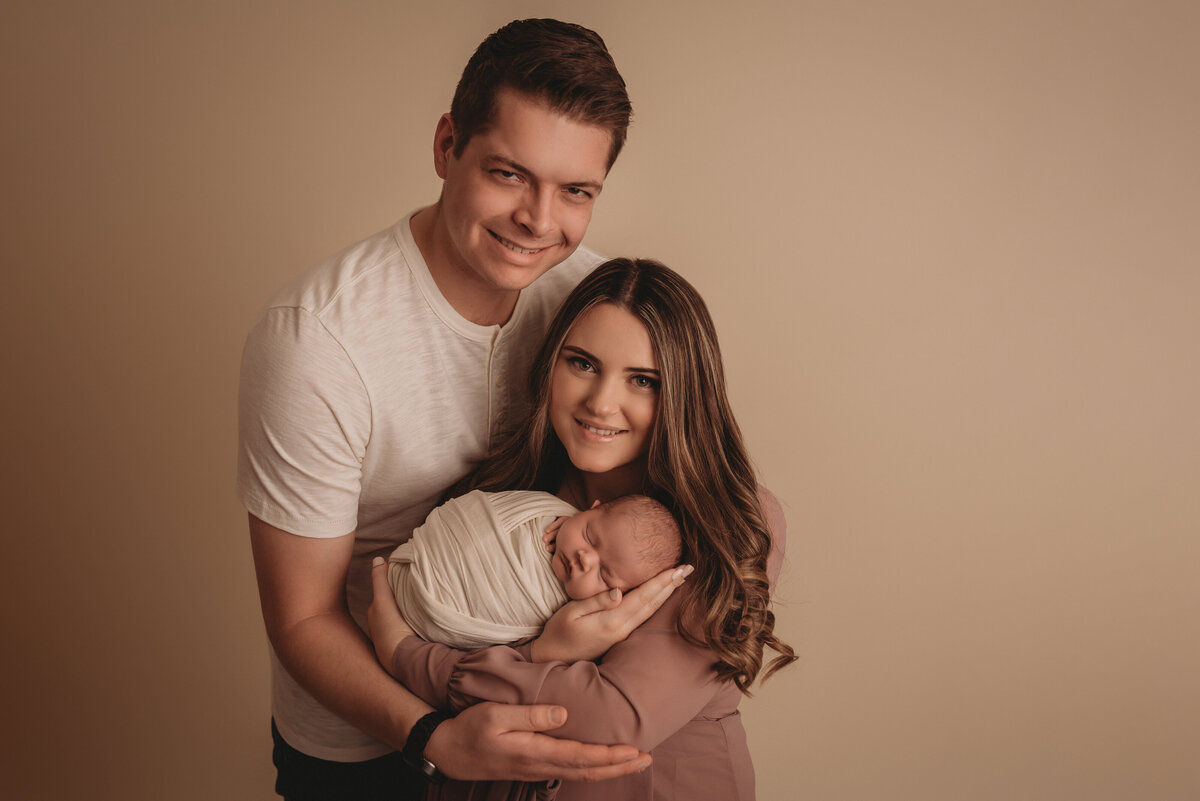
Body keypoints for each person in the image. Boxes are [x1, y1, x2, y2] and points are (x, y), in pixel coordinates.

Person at [238, 19, 690, 800]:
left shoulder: (590, 307)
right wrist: (433, 735)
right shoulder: (317, 341)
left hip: (524, 693)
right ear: (448, 146)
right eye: (510, 174)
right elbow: (302, 617)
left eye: (575, 190)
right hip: (365, 741)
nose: (539, 221)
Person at [369, 258, 797, 801]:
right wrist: (536, 658)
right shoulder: (510, 490)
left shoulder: (725, 521)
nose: (600, 403)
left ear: (684, 392)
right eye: (583, 363)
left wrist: (410, 657)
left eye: (643, 380)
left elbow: (611, 716)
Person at [385, 491, 684, 648]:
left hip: (427, 619)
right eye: (590, 536)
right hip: (419, 557)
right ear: (590, 508)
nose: (584, 559)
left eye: (604, 575)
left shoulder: (579, 619)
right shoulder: (543, 512)